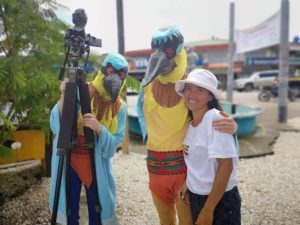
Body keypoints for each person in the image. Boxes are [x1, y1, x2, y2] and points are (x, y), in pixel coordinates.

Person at [137, 26, 238, 225]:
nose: (192, 94)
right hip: (154, 166)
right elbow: (140, 110)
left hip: (182, 169)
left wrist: (231, 128)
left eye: (167, 51)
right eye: (155, 50)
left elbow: (208, 117)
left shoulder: (188, 84)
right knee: (164, 219)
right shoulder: (147, 84)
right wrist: (146, 135)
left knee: (187, 221)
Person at [49, 53, 128, 225]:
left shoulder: (120, 107)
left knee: (97, 208)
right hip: (70, 160)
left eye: (120, 74)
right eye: (110, 70)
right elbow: (57, 125)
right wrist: (64, 95)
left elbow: (114, 144)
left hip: (96, 163)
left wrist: (100, 129)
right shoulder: (82, 92)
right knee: (69, 209)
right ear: (103, 70)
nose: (114, 77)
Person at [176, 69, 241, 225]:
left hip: (219, 200)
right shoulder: (191, 125)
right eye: (189, 89)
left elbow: (226, 165)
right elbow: (199, 162)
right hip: (197, 196)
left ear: (210, 96)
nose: (192, 95)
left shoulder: (215, 119)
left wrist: (208, 209)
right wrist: (189, 183)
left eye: (200, 91)